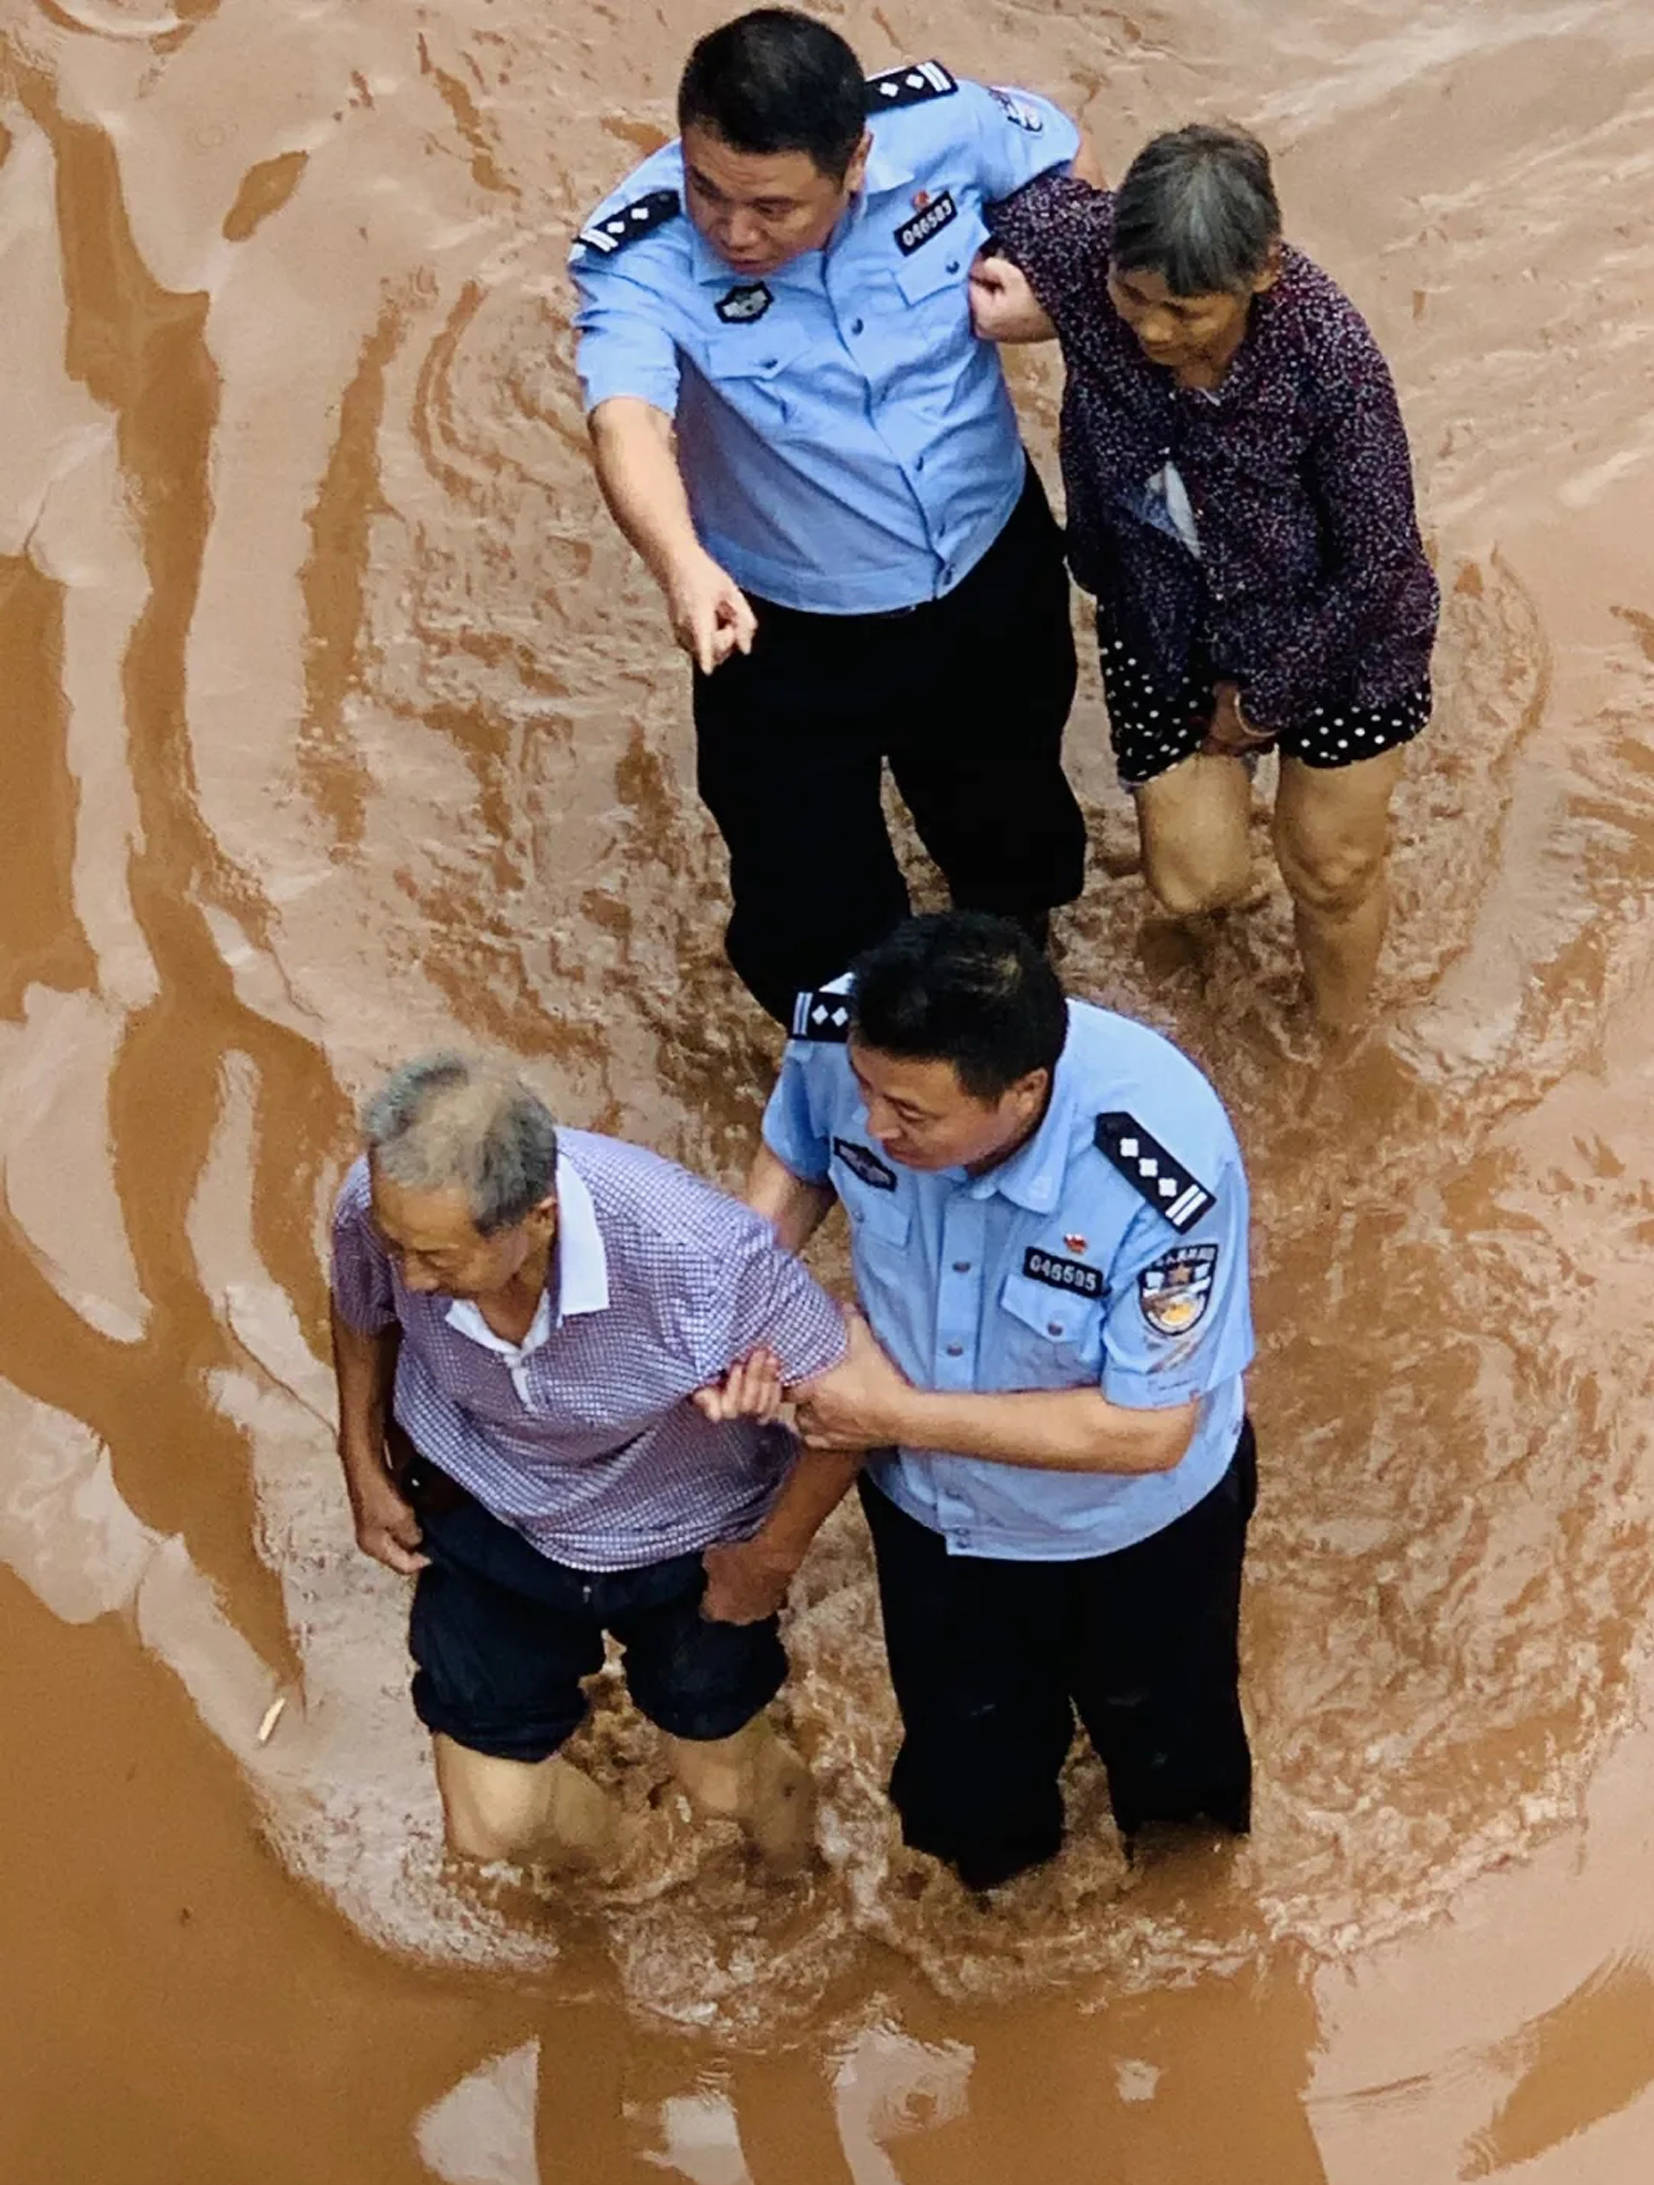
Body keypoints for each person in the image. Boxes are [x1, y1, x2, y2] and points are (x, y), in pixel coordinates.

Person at [570, 8, 1099, 1023]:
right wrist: (682, 564)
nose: (734, 231)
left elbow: (1067, 171)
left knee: (1011, 841)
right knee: (811, 916)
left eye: (772, 207)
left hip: (987, 573)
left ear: (855, 160)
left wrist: (1051, 288)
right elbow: (625, 418)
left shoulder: (945, 127)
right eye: (708, 190)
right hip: (780, 628)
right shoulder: (636, 250)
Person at [707, 913, 1257, 1889]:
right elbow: (798, 1155)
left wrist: (891, 1419)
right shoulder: (854, 1036)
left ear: (1024, 1091)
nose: (876, 1126)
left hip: (1130, 1535)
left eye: (912, 1116)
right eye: (867, 1093)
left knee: (1178, 1793)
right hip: (937, 1521)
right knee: (965, 1815)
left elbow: (1148, 1429)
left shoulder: (1160, 1171)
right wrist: (740, 1304)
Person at [328, 1050, 852, 1872]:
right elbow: (361, 1305)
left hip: (682, 1524)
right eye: (397, 1247)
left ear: (538, 1219)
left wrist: (769, 1559)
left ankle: (799, 1875)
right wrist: (360, 1457)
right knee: (493, 1825)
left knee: (725, 1785)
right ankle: (637, 1864)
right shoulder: (379, 1206)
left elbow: (848, 1410)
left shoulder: (700, 1256)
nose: (411, 1277)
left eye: (437, 1258)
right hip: (485, 1501)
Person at [970, 125, 1440, 1031]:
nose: (1149, 329)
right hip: (1163, 616)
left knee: (1331, 868)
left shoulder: (1331, 359)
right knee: (1195, 884)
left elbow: (1379, 561)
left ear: (1263, 271)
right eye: (1131, 295)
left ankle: (1340, 1036)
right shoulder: (1079, 248)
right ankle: (1236, 870)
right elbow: (965, 150)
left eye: (1186, 313)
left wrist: (1261, 705)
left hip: (1336, 634)